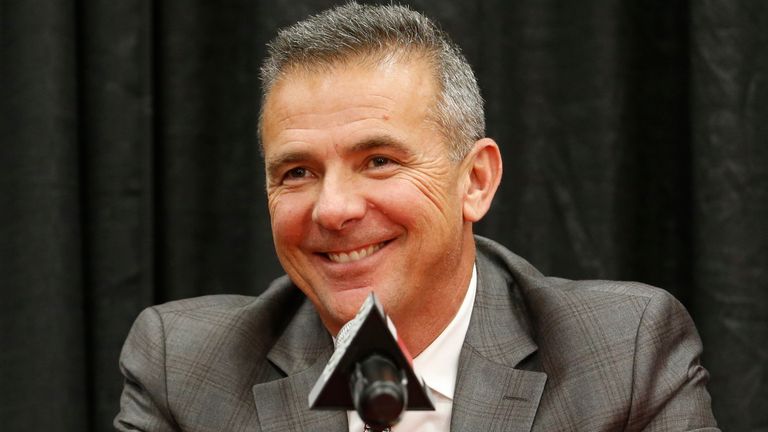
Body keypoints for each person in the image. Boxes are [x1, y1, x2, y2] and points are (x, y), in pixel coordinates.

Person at [114, 3, 719, 431]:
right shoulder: (184, 369)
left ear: (475, 181)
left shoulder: (623, 355)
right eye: (296, 172)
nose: (334, 209)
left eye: (378, 160)